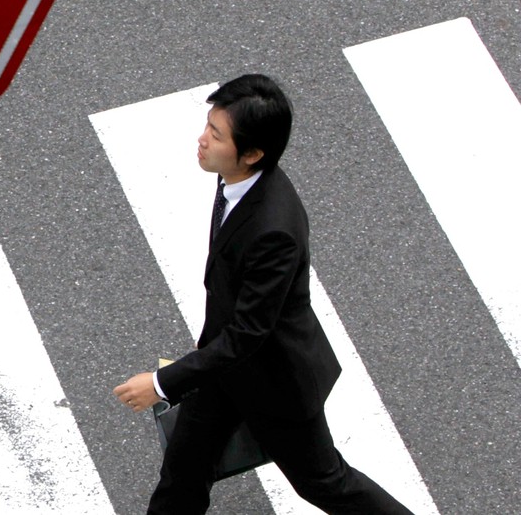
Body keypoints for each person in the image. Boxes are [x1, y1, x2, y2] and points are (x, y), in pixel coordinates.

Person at [112, 74, 413, 514]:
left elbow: (249, 334)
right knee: (184, 469)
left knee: (325, 483)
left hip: (274, 382)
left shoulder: (274, 229)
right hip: (224, 367)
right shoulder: (237, 179)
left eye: (216, 135)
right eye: (207, 126)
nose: (202, 140)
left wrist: (161, 384)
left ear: (253, 153)